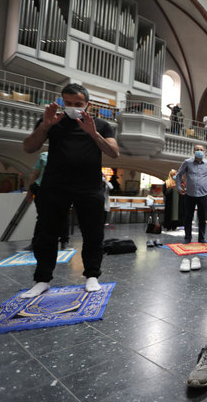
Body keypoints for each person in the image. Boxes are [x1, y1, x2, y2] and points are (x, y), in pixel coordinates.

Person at [21, 83, 119, 298]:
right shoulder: (52, 121)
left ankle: (92, 275)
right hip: (55, 185)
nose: (73, 107)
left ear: (88, 104)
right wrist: (45, 126)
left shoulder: (101, 125)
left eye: (78, 103)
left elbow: (114, 153)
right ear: (62, 102)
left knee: (93, 233)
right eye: (68, 103)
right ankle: (42, 280)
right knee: (46, 233)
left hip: (89, 186)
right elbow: (28, 147)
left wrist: (94, 134)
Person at [25, 151, 71, 251]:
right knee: (42, 216)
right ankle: (35, 242)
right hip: (42, 188)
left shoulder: (69, 155)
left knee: (63, 215)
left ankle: (64, 241)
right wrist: (29, 193)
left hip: (61, 189)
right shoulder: (44, 155)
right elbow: (36, 174)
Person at [176, 144, 207, 247]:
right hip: (189, 195)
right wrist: (179, 187)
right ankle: (187, 238)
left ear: (204, 152)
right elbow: (179, 175)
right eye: (197, 149)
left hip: (203, 195)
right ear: (193, 151)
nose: (199, 151)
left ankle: (201, 238)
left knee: (202, 218)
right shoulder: (187, 162)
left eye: (201, 150)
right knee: (188, 218)